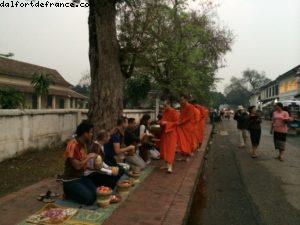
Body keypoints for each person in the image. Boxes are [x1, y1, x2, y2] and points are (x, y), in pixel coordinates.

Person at [62, 121, 96, 205]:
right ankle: (68, 193)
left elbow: (83, 163)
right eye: (91, 132)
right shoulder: (72, 145)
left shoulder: (83, 144)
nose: (92, 134)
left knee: (97, 193)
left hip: (81, 178)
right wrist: (88, 157)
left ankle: (75, 192)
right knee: (89, 199)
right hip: (71, 181)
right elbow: (77, 166)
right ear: (85, 133)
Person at [159, 100, 179, 173]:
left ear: (169, 104)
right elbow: (162, 120)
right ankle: (165, 164)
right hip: (165, 133)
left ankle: (170, 166)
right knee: (164, 149)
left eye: (165, 106)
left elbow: (177, 122)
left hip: (171, 133)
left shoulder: (174, 112)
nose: (164, 107)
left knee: (170, 149)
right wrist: (161, 122)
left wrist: (167, 123)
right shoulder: (165, 112)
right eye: (163, 106)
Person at [177, 95, 195, 161]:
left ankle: (188, 156)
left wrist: (180, 122)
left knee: (187, 141)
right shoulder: (182, 107)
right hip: (181, 126)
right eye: (180, 100)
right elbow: (180, 116)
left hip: (188, 126)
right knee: (181, 142)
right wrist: (178, 121)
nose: (180, 101)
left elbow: (189, 117)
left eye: (182, 100)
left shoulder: (190, 107)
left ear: (186, 99)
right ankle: (183, 155)